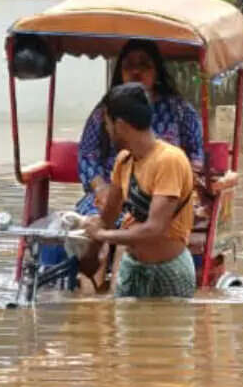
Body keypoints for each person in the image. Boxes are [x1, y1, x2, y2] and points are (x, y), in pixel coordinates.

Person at [82, 83, 198, 299]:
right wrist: (90, 253)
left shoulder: (169, 160)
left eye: (108, 125)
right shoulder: (124, 161)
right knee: (126, 332)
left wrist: (103, 235)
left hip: (169, 271)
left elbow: (154, 229)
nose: (107, 132)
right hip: (132, 269)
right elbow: (108, 216)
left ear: (120, 125)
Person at [74, 39, 203, 220]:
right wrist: (102, 189)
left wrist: (179, 191)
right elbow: (87, 155)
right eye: (129, 66)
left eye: (144, 65)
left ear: (156, 71)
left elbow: (196, 156)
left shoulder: (180, 110)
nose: (136, 71)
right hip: (111, 192)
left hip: (164, 192)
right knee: (86, 225)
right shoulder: (105, 111)